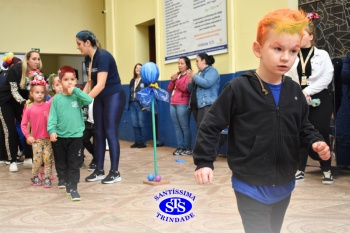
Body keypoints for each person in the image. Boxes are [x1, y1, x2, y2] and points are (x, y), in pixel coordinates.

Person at [193, 9, 331, 233]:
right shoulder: (238, 88)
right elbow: (211, 125)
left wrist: (316, 143)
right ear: (258, 49)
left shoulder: (295, 91)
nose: (286, 57)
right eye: (277, 48)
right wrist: (204, 161)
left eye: (293, 51)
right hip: (249, 185)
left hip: (284, 184)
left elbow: (304, 127)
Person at [285, 16, 334, 184]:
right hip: (297, 97)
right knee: (299, 133)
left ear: (311, 36)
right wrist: (299, 92)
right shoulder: (291, 55)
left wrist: (308, 91)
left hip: (320, 98)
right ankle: (300, 169)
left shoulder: (323, 54)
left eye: (302, 33)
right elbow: (285, 76)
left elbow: (327, 77)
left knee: (320, 132)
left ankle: (326, 169)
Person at [76, 30, 126, 184]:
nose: (77, 47)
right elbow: (90, 83)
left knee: (110, 131)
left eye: (79, 44)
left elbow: (101, 84)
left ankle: (115, 172)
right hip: (100, 98)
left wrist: (85, 100)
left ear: (87, 43)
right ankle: (99, 169)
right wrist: (78, 102)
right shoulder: (87, 59)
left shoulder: (103, 56)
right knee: (98, 133)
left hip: (114, 96)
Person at [48, 65, 92, 201]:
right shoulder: (56, 99)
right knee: (62, 163)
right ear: (60, 82)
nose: (69, 82)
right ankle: (66, 182)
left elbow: (89, 100)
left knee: (74, 163)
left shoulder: (77, 96)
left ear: (75, 81)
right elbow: (52, 117)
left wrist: (77, 91)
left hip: (76, 137)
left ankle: (73, 187)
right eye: (66, 79)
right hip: (60, 136)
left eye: (72, 79)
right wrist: (52, 130)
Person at [0, 51, 40, 172]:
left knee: (28, 128)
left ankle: (28, 157)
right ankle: (12, 160)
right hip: (6, 101)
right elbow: (14, 91)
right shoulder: (16, 69)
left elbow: (35, 89)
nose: (37, 62)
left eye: (38, 59)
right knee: (10, 130)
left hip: (21, 102)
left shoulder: (37, 73)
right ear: (27, 60)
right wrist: (25, 103)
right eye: (34, 59)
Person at [21, 75, 53, 188]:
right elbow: (23, 124)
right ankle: (35, 177)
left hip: (48, 139)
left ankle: (48, 178)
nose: (40, 94)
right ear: (31, 94)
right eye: (37, 92)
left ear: (45, 93)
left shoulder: (48, 106)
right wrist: (28, 136)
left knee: (48, 159)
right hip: (36, 140)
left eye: (42, 92)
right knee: (37, 160)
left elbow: (56, 98)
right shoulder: (29, 109)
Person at [187, 53, 220, 129]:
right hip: (196, 105)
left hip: (206, 104)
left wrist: (194, 76)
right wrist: (190, 80)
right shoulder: (199, 73)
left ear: (203, 61)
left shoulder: (212, 71)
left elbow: (207, 83)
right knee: (199, 128)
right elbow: (190, 89)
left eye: (197, 61)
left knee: (204, 128)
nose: (196, 64)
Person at [168, 56, 192, 156]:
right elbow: (169, 89)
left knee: (184, 126)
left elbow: (185, 88)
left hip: (183, 103)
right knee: (177, 127)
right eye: (178, 63)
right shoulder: (177, 75)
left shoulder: (189, 75)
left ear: (187, 65)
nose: (179, 65)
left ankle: (187, 147)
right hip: (173, 103)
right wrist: (173, 80)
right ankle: (180, 147)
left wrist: (176, 80)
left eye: (182, 63)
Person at [128, 63, 148, 148]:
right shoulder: (132, 80)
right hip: (132, 103)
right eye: (136, 68)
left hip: (141, 105)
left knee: (141, 124)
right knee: (135, 124)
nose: (138, 69)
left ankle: (143, 142)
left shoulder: (145, 80)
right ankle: (137, 141)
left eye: (140, 68)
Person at [82, 99, 96, 171]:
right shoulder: (88, 97)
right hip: (88, 123)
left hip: (98, 124)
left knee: (97, 143)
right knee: (84, 139)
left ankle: (96, 160)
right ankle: (95, 155)